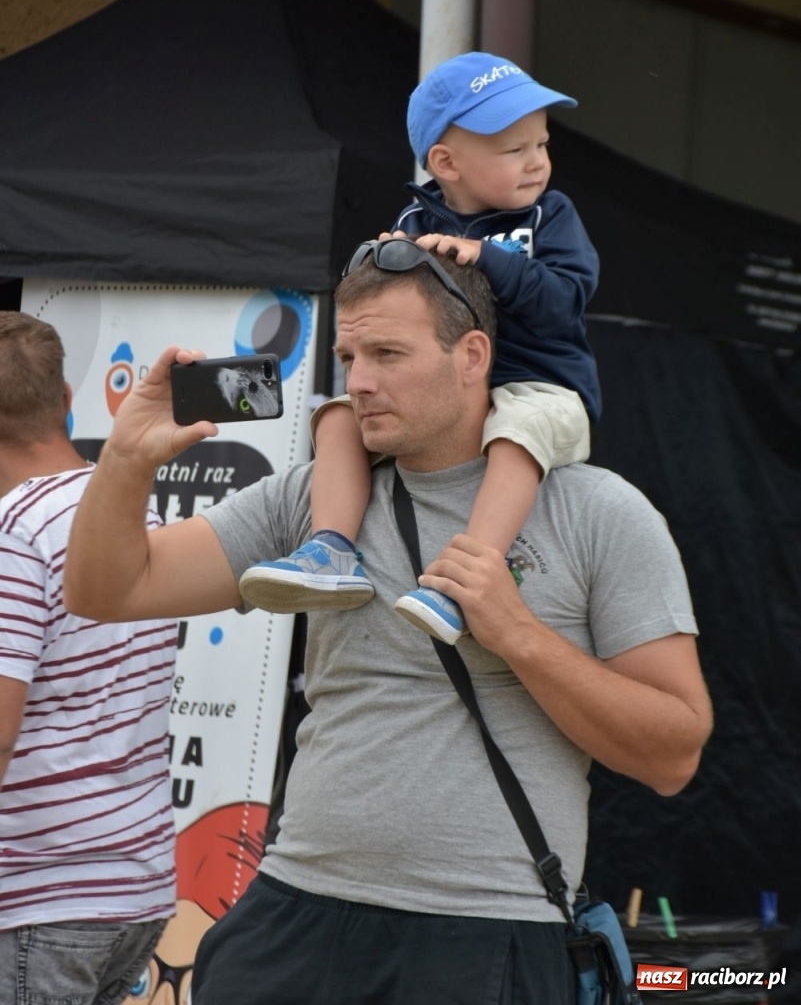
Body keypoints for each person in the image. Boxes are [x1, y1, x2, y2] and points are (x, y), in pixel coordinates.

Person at [63, 249, 713, 1005]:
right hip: (291, 914)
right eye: (347, 355)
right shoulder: (315, 495)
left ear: (472, 356)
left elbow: (674, 754)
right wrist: (125, 462)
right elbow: (106, 590)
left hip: (485, 931)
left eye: (387, 354)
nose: (358, 381)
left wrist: (517, 634)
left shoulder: (598, 512)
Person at [239, 51, 599, 644]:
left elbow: (564, 304)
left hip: (542, 389)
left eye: (543, 143)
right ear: (446, 162)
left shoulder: (551, 215)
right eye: (516, 149)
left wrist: (491, 259)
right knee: (334, 417)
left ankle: (462, 584)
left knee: (516, 430)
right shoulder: (414, 220)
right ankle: (329, 551)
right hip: (449, 399)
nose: (537, 162)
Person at [0, 312, 177, 1005]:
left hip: (35, 893)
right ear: (67, 399)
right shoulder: (134, 512)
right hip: (136, 886)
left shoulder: (13, 533)